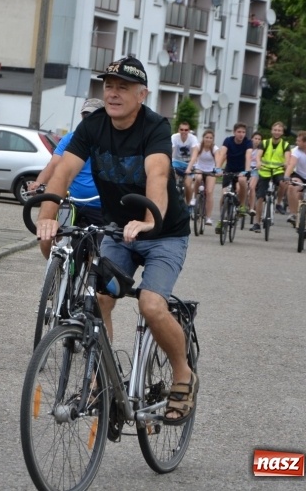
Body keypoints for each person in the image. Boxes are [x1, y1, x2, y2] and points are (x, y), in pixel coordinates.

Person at [35, 56, 195, 425]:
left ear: (142, 95)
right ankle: (100, 380)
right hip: (117, 232)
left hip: (163, 233)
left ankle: (183, 373)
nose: (113, 93)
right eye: (109, 86)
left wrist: (149, 220)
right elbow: (64, 170)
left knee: (151, 306)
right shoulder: (93, 125)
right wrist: (47, 217)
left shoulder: (155, 127)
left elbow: (157, 174)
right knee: (99, 301)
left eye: (123, 87)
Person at [29, 98, 104, 233]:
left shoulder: (109, 140)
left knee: (101, 241)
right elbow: (53, 164)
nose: (88, 119)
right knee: (54, 235)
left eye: (93, 116)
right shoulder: (70, 138)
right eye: (85, 115)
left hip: (99, 206)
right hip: (70, 203)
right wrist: (38, 183)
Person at [250, 121, 291, 232]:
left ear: (282, 132)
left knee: (283, 183)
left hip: (278, 171)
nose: (277, 132)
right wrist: (258, 162)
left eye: (279, 130)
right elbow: (258, 155)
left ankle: (278, 203)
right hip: (265, 171)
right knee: (260, 197)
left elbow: (287, 158)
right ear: (272, 131)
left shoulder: (285, 145)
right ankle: (257, 223)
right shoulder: (264, 143)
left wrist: (286, 164)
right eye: (275, 130)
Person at [214, 123, 252, 234]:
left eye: (243, 132)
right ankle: (222, 219)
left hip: (242, 171)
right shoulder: (228, 141)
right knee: (224, 193)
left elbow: (248, 156)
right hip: (229, 170)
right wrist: (218, 168)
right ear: (234, 132)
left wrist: (247, 170)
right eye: (239, 132)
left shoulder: (248, 142)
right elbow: (222, 154)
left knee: (242, 181)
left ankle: (242, 206)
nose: (241, 134)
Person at [185, 129, 219, 226]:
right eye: (206, 137)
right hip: (199, 168)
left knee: (209, 192)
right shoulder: (198, 147)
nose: (208, 139)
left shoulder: (215, 149)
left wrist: (217, 170)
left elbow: (217, 161)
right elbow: (193, 158)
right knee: (198, 178)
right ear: (203, 138)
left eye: (210, 138)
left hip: (210, 170)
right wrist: (189, 168)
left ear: (213, 139)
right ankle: (194, 197)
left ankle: (208, 217)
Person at [171, 121, 199, 211]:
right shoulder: (174, 137)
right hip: (177, 162)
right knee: (171, 180)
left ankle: (188, 204)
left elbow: (194, 155)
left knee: (187, 184)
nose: (184, 132)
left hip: (189, 163)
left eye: (186, 130)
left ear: (189, 131)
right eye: (182, 129)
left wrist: (189, 168)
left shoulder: (193, 139)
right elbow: (171, 151)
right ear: (178, 130)